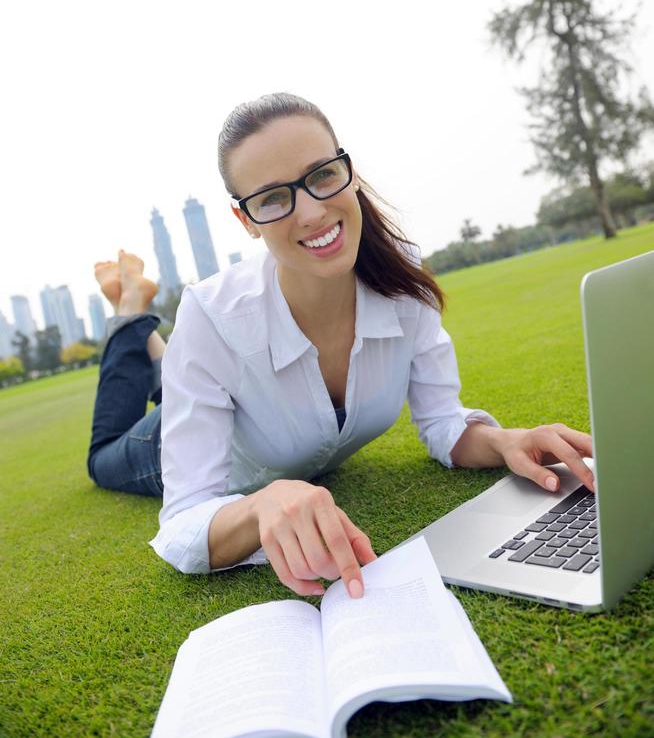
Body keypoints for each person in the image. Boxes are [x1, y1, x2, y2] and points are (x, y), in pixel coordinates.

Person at [87, 92, 595, 601]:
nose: (310, 211)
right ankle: (130, 311)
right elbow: (182, 524)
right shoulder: (212, 317)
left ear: (347, 170)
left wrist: (504, 440)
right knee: (104, 453)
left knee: (173, 370)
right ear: (246, 220)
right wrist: (261, 504)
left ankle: (157, 351)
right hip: (161, 446)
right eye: (272, 198)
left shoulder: (400, 278)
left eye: (323, 174)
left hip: (213, 382)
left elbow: (443, 424)